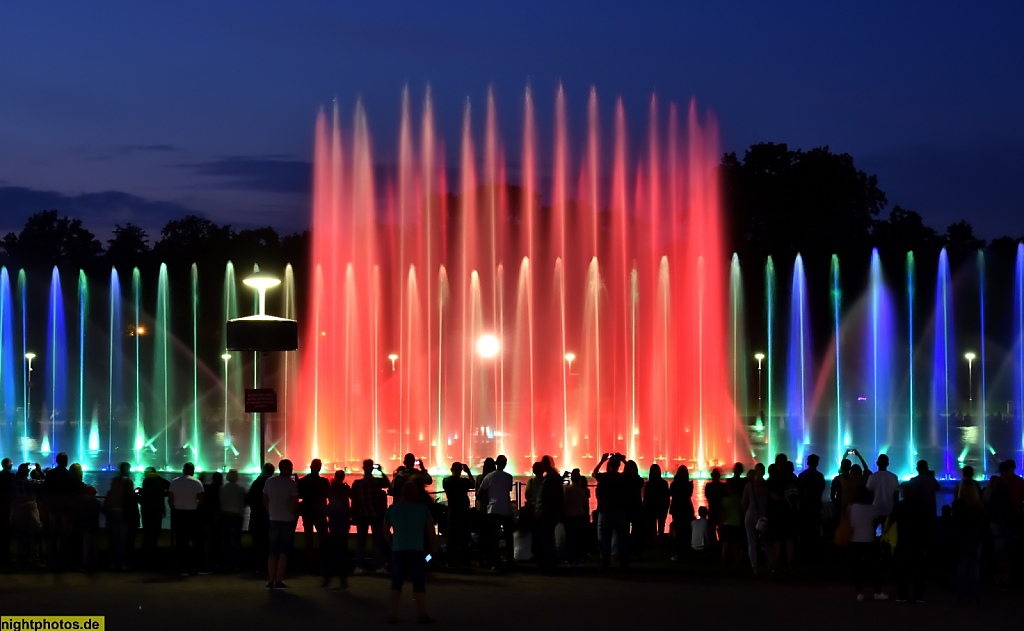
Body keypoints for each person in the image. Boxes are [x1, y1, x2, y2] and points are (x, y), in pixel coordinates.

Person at [383, 480, 436, 624]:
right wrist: (432, 552)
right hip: (418, 552)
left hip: (398, 551)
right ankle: (422, 615)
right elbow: (431, 534)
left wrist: (391, 544)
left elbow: (385, 531)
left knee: (396, 583)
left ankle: (392, 615)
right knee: (419, 584)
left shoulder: (393, 509)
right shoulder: (423, 510)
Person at [263, 458, 299, 589]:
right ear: (286, 469)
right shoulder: (291, 484)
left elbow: (265, 499)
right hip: (287, 519)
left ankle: (270, 580)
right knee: (283, 552)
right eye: (291, 467)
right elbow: (295, 502)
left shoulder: (269, 481)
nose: (292, 469)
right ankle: (279, 580)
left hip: (273, 519)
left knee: (272, 552)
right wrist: (293, 514)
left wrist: (270, 512)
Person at [351, 459, 390, 574]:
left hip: (363, 514)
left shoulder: (358, 483)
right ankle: (378, 566)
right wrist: (381, 471)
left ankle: (359, 566)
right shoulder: (376, 482)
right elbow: (387, 483)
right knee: (376, 540)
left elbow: (353, 498)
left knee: (362, 541)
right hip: (374, 514)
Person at [952, 467, 986, 601]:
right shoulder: (978, 506)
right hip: (975, 536)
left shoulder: (957, 504)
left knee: (961, 563)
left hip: (961, 536)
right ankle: (974, 591)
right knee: (974, 564)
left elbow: (955, 521)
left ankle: (961, 592)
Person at [891, 483, 928, 603]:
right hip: (918, 540)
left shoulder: (899, 506)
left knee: (902, 569)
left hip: (902, 540)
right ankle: (919, 596)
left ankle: (902, 595)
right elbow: (926, 525)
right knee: (918, 569)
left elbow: (892, 521)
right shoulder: (921, 506)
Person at [849, 486, 887, 601]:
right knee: (873, 567)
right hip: (869, 540)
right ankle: (877, 591)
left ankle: (860, 592)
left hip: (854, 540)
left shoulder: (851, 508)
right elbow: (877, 521)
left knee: (857, 567)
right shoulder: (873, 509)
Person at [478, 454, 515, 569]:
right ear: (505, 464)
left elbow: (480, 493)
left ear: (496, 463)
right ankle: (510, 562)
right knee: (509, 537)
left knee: (494, 537)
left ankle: (496, 563)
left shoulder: (489, 476)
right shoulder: (509, 477)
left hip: (493, 509)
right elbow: (508, 490)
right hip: (506, 509)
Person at [593, 453, 629, 568]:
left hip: (606, 511)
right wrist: (624, 460)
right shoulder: (622, 478)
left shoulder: (604, 478)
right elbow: (631, 473)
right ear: (618, 465)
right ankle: (622, 560)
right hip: (619, 511)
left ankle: (605, 561)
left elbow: (594, 473)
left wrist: (602, 460)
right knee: (620, 537)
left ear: (608, 465)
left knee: (606, 537)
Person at [169, 462, 205, 575]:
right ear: (192, 470)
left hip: (179, 513)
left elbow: (170, 499)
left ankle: (181, 567)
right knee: (196, 541)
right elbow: (201, 499)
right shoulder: (197, 482)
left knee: (181, 541)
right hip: (192, 513)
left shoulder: (174, 482)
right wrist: (195, 506)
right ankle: (196, 567)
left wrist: (174, 509)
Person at [41, 452, 75, 571]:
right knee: (64, 536)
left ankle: (51, 561)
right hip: (65, 509)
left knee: (53, 536)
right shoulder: (69, 475)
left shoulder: (51, 474)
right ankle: (62, 561)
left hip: (53, 508)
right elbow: (73, 493)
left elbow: (45, 490)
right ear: (66, 461)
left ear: (56, 461)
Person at [104, 462, 139, 570]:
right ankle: (122, 562)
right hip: (123, 512)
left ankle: (111, 562)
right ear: (127, 470)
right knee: (122, 539)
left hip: (112, 511)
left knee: (113, 538)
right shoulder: (127, 481)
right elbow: (130, 497)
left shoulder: (114, 480)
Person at [298, 458, 331, 570]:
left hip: (307, 511)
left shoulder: (303, 481)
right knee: (323, 536)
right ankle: (323, 560)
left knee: (309, 536)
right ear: (320, 468)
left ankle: (309, 562)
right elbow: (329, 495)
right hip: (320, 511)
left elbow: (299, 495)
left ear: (310, 467)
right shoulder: (324, 482)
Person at [441, 461, 474, 568]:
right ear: (461, 470)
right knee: (464, 537)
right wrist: (468, 472)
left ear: (451, 470)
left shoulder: (446, 481)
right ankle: (465, 561)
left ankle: (449, 561)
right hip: (463, 512)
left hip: (452, 511)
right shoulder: (463, 482)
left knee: (451, 537)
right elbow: (473, 483)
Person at [534, 457, 565, 570]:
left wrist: (541, 511)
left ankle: (549, 564)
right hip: (550, 513)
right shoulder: (553, 476)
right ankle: (550, 563)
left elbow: (550, 497)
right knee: (548, 538)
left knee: (546, 539)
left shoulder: (550, 478)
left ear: (545, 465)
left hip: (547, 513)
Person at [11, 463, 42, 568]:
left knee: (21, 536)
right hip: (31, 511)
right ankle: (33, 559)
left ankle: (21, 559)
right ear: (27, 473)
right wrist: (39, 470)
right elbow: (45, 483)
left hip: (18, 511)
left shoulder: (14, 483)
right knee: (34, 535)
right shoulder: (30, 482)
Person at [325, 470, 351, 589]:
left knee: (332, 549)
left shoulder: (331, 488)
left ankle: (329, 579)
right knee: (342, 548)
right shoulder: (345, 488)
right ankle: (342, 579)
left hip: (334, 519)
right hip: (343, 519)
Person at [246, 463, 275, 569]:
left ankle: (257, 565)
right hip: (268, 517)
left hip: (256, 516)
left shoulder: (257, 483)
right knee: (267, 542)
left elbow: (249, 498)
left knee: (257, 542)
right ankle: (266, 566)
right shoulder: (271, 483)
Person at [797, 454, 825, 561]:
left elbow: (799, 492)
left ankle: (804, 555)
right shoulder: (820, 476)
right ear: (817, 463)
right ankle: (815, 555)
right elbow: (821, 491)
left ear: (807, 462)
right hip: (816, 506)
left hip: (805, 506)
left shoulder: (802, 476)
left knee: (805, 531)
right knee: (815, 531)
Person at [139, 467, 169, 568]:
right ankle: (152, 556)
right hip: (157, 510)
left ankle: (144, 557)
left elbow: (144, 495)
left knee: (147, 533)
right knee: (155, 533)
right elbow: (170, 489)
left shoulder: (146, 481)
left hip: (146, 510)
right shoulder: (161, 480)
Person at [741, 465, 768, 574]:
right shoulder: (766, 485)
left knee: (751, 543)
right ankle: (769, 565)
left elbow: (744, 503)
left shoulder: (749, 486)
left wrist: (745, 515)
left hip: (750, 515)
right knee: (766, 542)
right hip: (762, 517)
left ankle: (755, 566)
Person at [220, 469, 247, 572]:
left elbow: (220, 501)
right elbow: (244, 502)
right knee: (236, 540)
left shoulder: (222, 488)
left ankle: (226, 562)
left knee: (226, 539)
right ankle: (236, 562)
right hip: (237, 515)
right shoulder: (240, 489)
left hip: (225, 515)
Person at [563, 469, 590, 567]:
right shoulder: (582, 491)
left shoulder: (567, 489)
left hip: (569, 516)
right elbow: (584, 504)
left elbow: (564, 502)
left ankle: (570, 559)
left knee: (570, 539)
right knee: (579, 538)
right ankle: (578, 559)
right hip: (579, 516)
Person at [669, 465, 694, 562]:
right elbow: (689, 495)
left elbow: (671, 493)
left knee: (678, 532)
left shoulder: (674, 484)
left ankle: (678, 554)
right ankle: (686, 553)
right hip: (686, 509)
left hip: (677, 509)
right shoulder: (688, 484)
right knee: (686, 532)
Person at [866, 454, 900, 525]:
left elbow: (869, 495)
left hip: (875, 509)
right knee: (887, 534)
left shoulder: (872, 477)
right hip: (889, 510)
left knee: (873, 533)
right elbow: (896, 495)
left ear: (877, 463)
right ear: (888, 464)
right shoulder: (893, 477)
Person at [643, 463, 670, 551]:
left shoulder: (648, 485)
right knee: (661, 529)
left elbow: (646, 499)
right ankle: (660, 546)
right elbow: (667, 498)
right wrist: (666, 508)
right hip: (661, 509)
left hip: (651, 510)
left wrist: (645, 510)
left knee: (653, 530)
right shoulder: (664, 483)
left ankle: (654, 547)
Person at [702, 468, 726, 547]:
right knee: (721, 529)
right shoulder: (723, 486)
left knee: (711, 530)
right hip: (720, 510)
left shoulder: (708, 486)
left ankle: (713, 545)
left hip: (712, 509)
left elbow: (707, 496)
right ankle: (720, 544)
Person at [0, 458, 14, 568]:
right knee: (7, 532)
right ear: (9, 466)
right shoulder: (12, 477)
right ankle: (7, 557)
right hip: (8, 506)